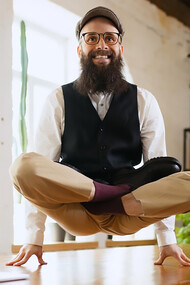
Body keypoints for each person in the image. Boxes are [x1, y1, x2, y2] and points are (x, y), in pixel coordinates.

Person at [7, 6, 190, 267]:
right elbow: (42, 166)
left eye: (110, 38)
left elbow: (158, 170)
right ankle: (102, 194)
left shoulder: (144, 101)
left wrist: (166, 238)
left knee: (184, 179)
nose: (101, 45)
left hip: (132, 209)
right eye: (91, 38)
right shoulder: (59, 100)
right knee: (23, 166)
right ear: (80, 49)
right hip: (77, 209)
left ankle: (117, 198)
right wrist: (34, 237)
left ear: (120, 49)